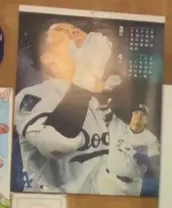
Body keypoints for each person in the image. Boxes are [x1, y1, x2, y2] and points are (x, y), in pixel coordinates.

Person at [13, 22, 156, 195]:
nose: (73, 31)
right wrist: (87, 73)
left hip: (98, 206)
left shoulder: (102, 99)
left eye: (76, 30)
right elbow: (56, 144)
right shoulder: (33, 96)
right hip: (54, 207)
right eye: (61, 30)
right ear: (47, 57)